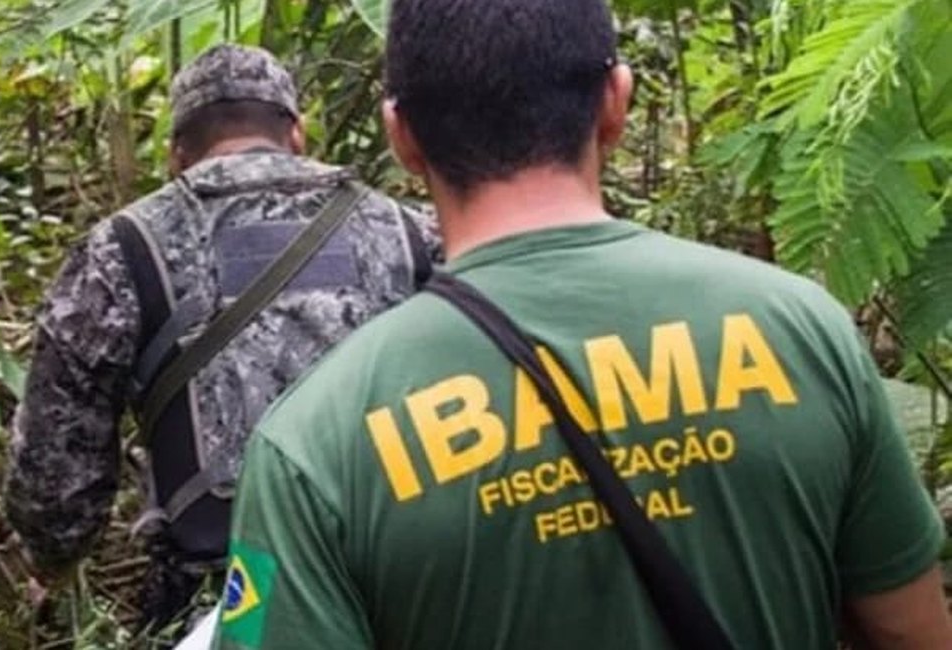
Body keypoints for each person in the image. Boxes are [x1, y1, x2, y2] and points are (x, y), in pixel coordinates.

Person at [212, 1, 952, 648]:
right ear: (615, 102)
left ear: (401, 136)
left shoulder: (313, 446)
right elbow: (910, 630)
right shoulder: (801, 330)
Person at [4, 44, 439, 631]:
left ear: (176, 155)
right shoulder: (408, 230)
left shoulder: (123, 248)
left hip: (233, 602)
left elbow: (54, 480)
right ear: (298, 134)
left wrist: (53, 561)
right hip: (407, 582)